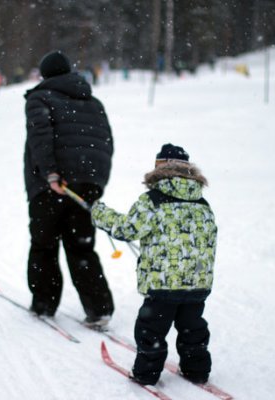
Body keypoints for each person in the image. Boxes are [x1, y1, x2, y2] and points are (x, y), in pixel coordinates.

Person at [91, 144, 218, 386]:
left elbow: (127, 229)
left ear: (161, 168)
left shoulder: (153, 200)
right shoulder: (202, 203)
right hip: (197, 283)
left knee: (151, 330)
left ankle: (146, 374)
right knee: (193, 328)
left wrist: (101, 214)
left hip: (163, 284)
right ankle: (197, 369)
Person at [23, 50, 115, 327]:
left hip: (51, 186)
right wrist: (94, 183)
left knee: (44, 245)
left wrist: (51, 173)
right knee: (81, 246)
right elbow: (105, 144)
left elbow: (41, 137)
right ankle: (99, 308)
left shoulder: (39, 98)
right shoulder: (94, 102)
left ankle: (43, 304)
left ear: (44, 75)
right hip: (85, 187)